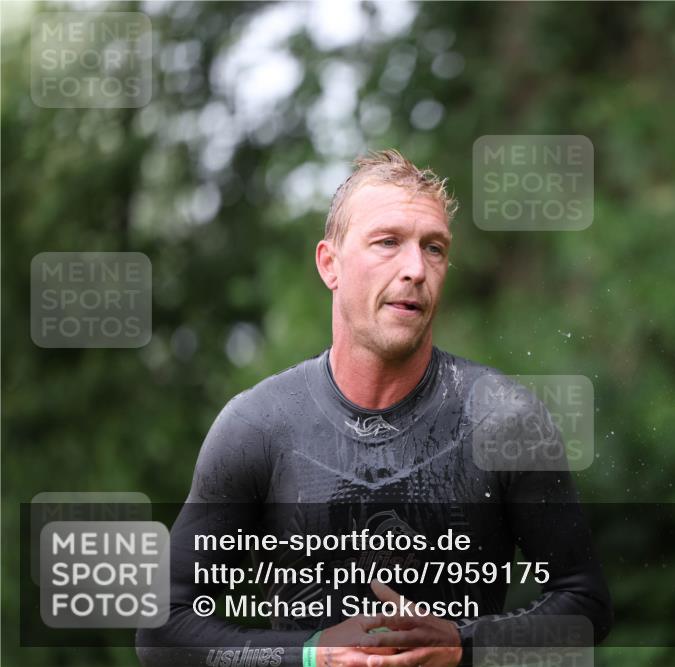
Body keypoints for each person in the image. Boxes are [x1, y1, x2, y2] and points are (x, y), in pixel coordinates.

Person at [136, 149, 612, 667]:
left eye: (434, 248)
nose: (415, 269)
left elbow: (585, 608)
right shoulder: (259, 427)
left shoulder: (503, 420)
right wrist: (313, 654)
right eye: (388, 243)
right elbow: (163, 631)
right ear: (329, 264)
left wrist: (463, 645)